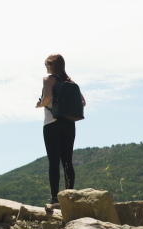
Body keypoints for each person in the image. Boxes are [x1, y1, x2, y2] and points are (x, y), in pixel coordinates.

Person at [35, 53, 86, 207]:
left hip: (52, 123)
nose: (46, 68)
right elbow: (83, 102)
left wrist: (39, 104)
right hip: (69, 123)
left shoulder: (48, 79)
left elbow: (47, 99)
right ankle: (69, 194)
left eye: (47, 64)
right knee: (67, 161)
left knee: (54, 161)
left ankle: (55, 198)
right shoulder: (70, 81)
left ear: (53, 65)